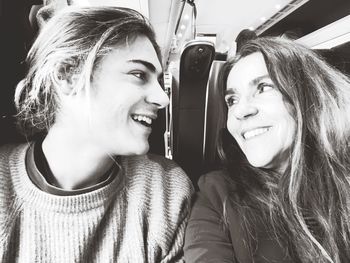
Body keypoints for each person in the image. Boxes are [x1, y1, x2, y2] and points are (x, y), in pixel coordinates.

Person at [0, 6, 194, 262]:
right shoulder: (5, 186)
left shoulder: (164, 193)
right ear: (67, 75)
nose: (162, 99)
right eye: (138, 74)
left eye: (158, 80)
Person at [184, 37, 350, 262]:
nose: (240, 111)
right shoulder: (216, 195)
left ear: (309, 95)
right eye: (232, 100)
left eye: (263, 87)